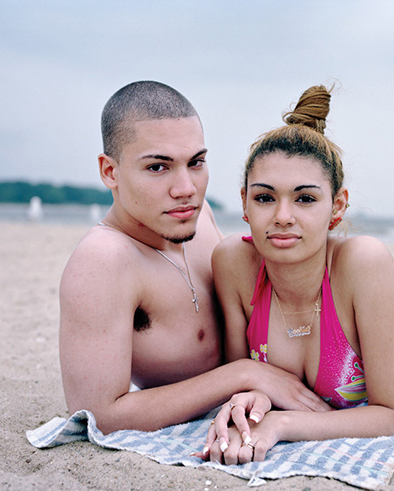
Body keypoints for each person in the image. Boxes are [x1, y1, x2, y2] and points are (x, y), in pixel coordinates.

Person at [199, 85, 394, 465]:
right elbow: (244, 375)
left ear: (337, 207)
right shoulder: (233, 263)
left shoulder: (366, 260)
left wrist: (281, 423)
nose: (283, 216)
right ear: (244, 202)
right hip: (368, 300)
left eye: (305, 199)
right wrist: (251, 399)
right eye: (265, 197)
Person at [59, 81, 331, 435]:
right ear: (110, 172)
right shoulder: (104, 259)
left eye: (196, 162)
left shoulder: (198, 221)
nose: (186, 188)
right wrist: (244, 374)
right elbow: (98, 415)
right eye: (158, 167)